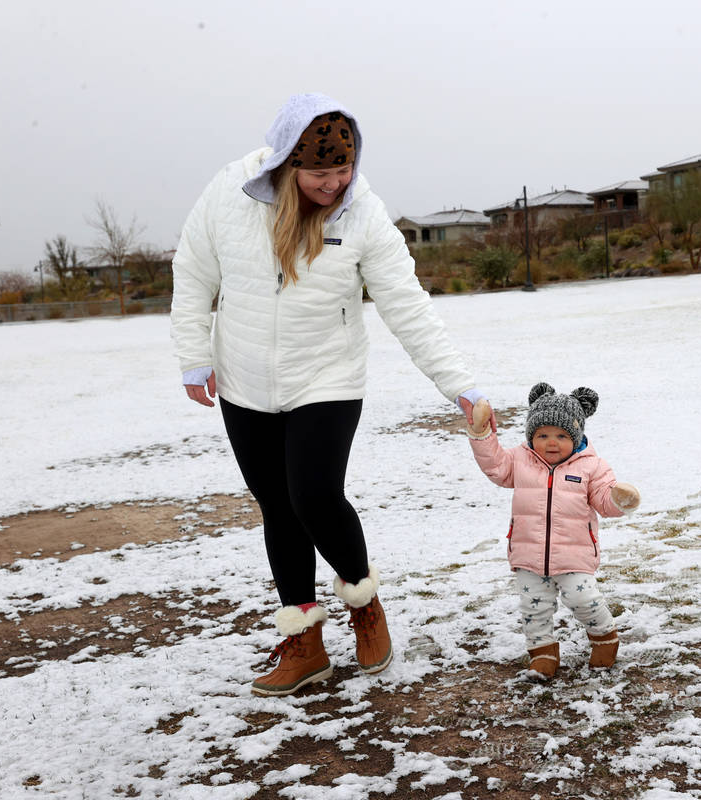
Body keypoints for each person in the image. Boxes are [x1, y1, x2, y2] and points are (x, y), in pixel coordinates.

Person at [170, 93, 486, 697]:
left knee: (314, 495)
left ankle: (364, 606)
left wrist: (458, 385)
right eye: (320, 173)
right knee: (278, 508)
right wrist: (194, 356)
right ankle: (305, 643)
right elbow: (193, 274)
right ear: (286, 164)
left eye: (344, 170)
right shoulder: (228, 193)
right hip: (244, 381)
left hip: (327, 377)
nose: (335, 183)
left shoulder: (362, 213)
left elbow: (407, 305)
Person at [465, 382, 640, 679]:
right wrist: (482, 435)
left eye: (561, 435)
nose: (551, 442)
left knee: (584, 600)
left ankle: (604, 638)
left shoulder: (591, 466)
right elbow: (495, 466)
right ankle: (543, 654)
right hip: (528, 553)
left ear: (576, 436)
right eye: (542, 435)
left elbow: (603, 500)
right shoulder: (520, 461)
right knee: (534, 609)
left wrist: (619, 499)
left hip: (574, 554)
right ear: (531, 436)